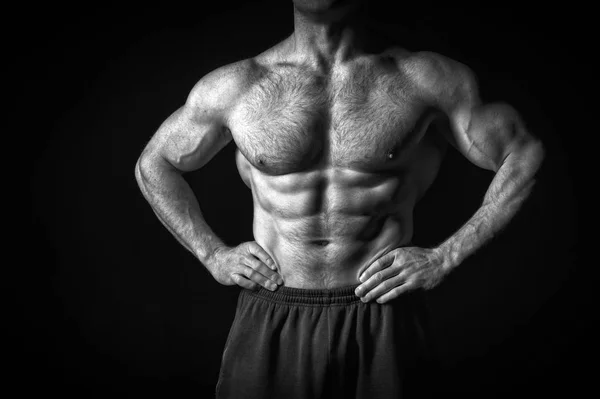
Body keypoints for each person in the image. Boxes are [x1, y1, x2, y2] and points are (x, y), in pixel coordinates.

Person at [134, 0, 544, 397]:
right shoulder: (237, 86)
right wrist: (213, 255)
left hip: (381, 312)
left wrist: (445, 256)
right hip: (273, 309)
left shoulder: (423, 78)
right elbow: (155, 163)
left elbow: (524, 153)